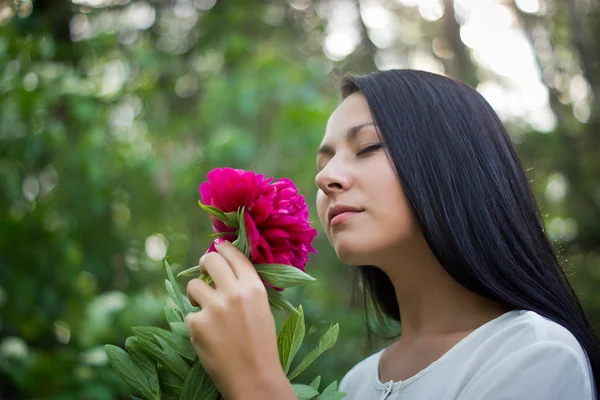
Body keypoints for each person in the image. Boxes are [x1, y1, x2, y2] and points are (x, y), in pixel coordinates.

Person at [184, 69, 600, 399]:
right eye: (322, 162)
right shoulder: (354, 385)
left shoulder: (533, 354)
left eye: (366, 148)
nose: (325, 176)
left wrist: (258, 385)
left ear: (452, 165)